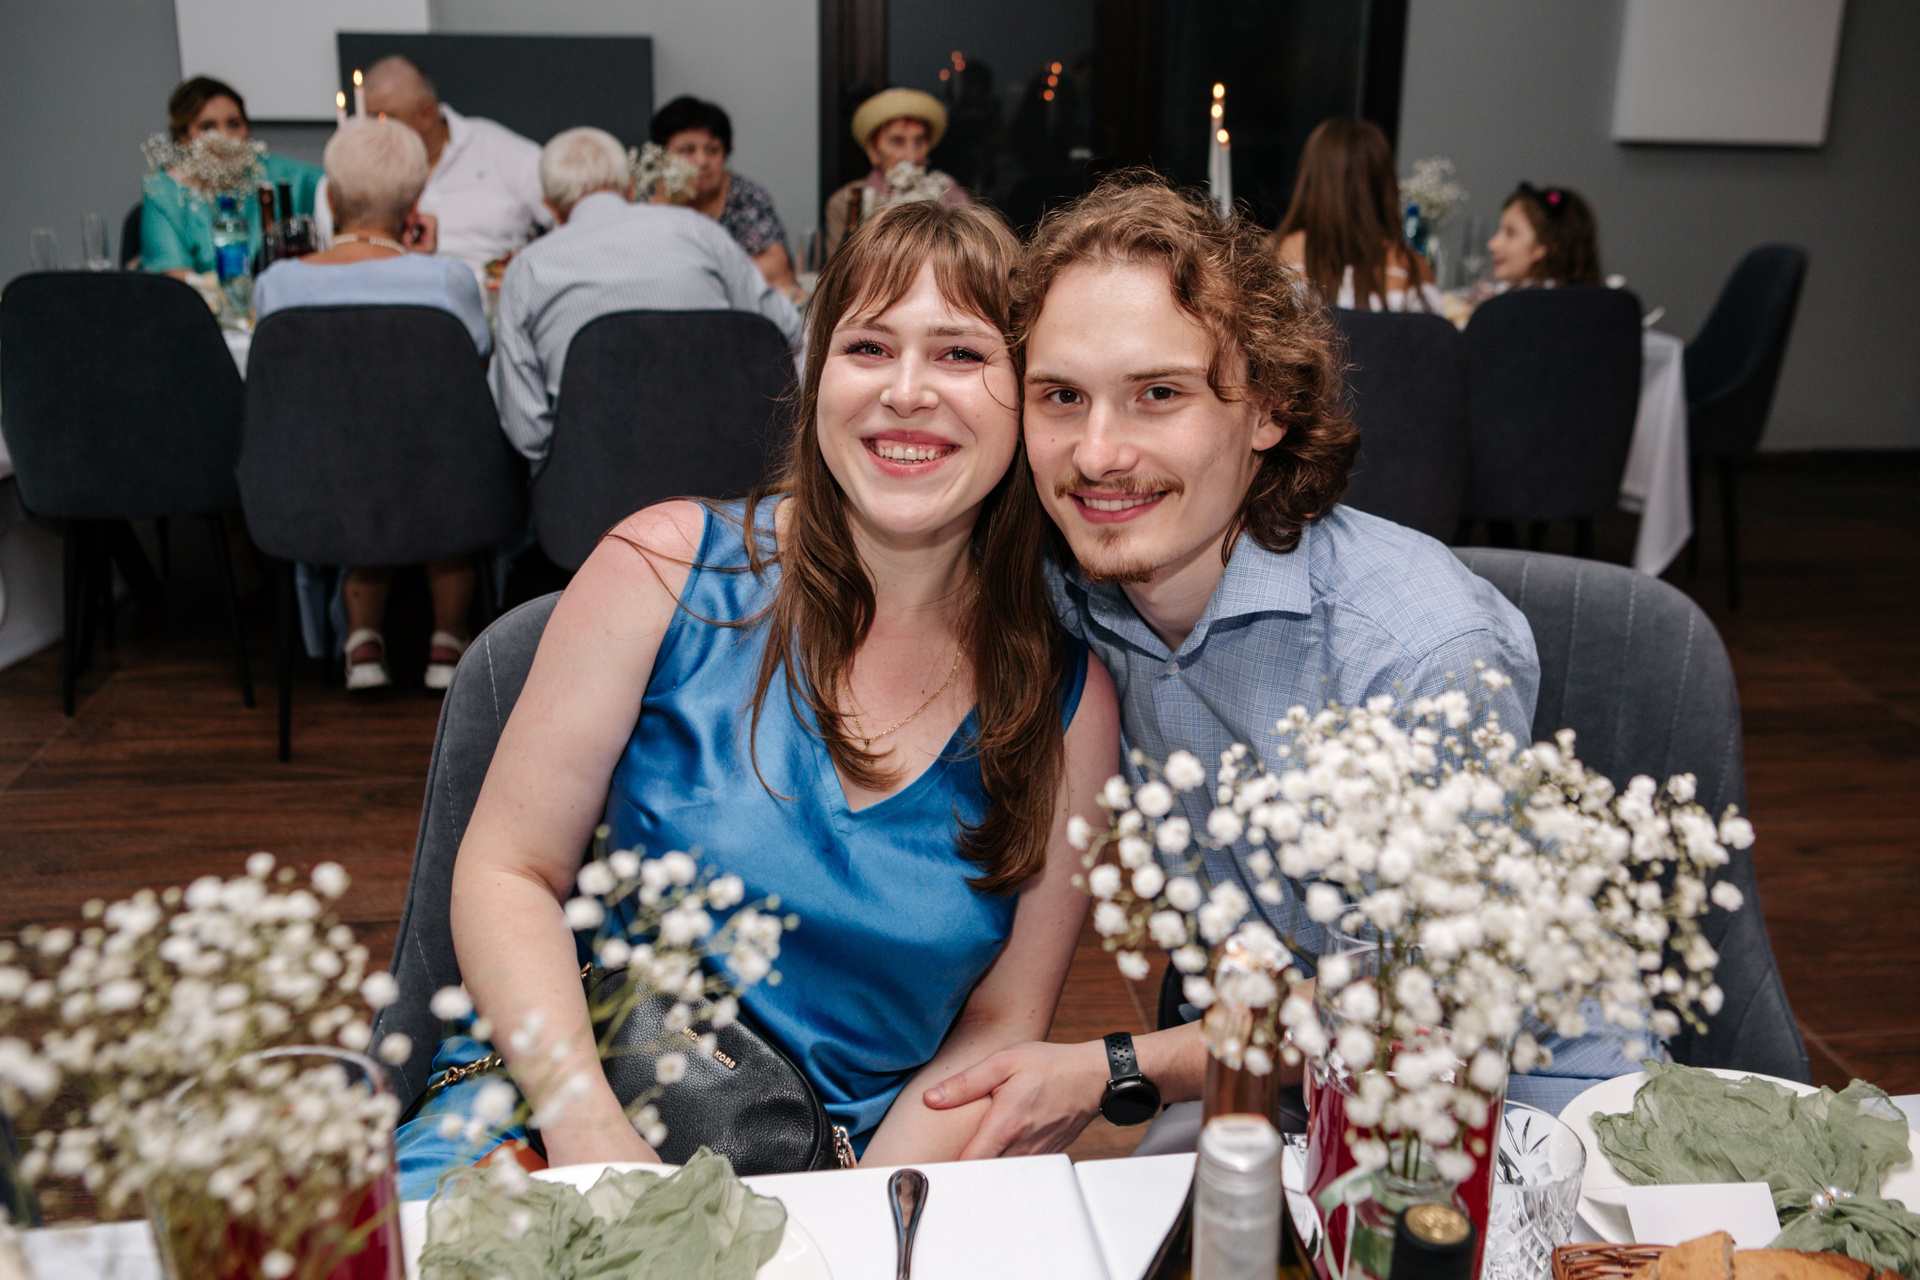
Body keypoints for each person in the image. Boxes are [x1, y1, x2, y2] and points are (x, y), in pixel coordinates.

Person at [390, 199, 1120, 1196]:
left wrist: (852, 1219)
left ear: (1032, 400)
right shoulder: (661, 568)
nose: (907, 391)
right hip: (555, 1106)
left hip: (836, 1165)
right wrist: (588, 1127)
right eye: (868, 347)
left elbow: (1000, 1024)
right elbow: (508, 869)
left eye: (959, 354)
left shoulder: (1069, 705)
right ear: (818, 380)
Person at [914, 175, 1636, 1156]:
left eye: (1159, 394)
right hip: (1266, 1087)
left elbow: (1421, 1020)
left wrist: (1114, 1065)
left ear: (1269, 408)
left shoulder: (1415, 655)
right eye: (1061, 397)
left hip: (1521, 1119)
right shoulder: (1071, 585)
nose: (1097, 453)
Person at [253, 118, 489, 693]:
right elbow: (474, 359)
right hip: (432, 479)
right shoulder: (447, 278)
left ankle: (362, 642)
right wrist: (423, 261)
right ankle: (447, 641)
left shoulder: (277, 283)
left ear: (332, 201)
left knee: (360, 460)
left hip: (320, 479)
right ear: (413, 205)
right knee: (437, 465)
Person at [489, 127, 803, 473]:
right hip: (728, 475)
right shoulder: (699, 231)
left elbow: (528, 434)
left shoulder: (525, 270)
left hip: (591, 484)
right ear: (630, 188)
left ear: (550, 208)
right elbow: (789, 331)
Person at [315, 55, 552, 285]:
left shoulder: (504, 153)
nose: (374, 130)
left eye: (385, 117)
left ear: (426, 114)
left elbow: (566, 221)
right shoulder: (346, 181)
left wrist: (530, 270)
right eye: (367, 118)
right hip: (384, 295)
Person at [141, 76, 322, 279]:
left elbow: (333, 186)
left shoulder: (270, 172)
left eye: (234, 124)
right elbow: (171, 274)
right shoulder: (164, 192)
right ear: (183, 136)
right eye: (207, 127)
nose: (224, 137)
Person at [1270, 117, 1439, 313]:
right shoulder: (1412, 270)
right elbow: (1434, 329)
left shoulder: (1271, 260)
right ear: (1385, 185)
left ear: (1309, 180)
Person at [649, 95, 796, 295]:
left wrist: (701, 282)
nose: (702, 161)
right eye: (687, 150)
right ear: (662, 157)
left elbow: (778, 266)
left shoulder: (746, 196)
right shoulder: (648, 200)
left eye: (713, 150)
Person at [823, 89, 970, 256]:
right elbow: (837, 269)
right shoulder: (847, 202)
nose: (912, 156)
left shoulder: (952, 196)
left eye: (919, 141)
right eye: (897, 142)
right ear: (873, 151)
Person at [1488, 182, 1603, 288]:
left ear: (1549, 244)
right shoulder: (1602, 301)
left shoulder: (1512, 303)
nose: (1492, 245)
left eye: (1510, 233)